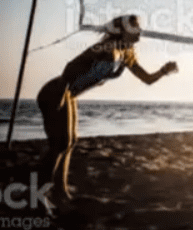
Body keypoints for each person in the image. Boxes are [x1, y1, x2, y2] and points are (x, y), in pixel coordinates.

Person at [36, 15, 178, 205]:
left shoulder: (127, 54)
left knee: (71, 142)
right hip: (57, 91)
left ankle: (61, 191)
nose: (140, 32)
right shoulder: (106, 47)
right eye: (135, 28)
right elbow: (70, 68)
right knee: (60, 144)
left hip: (70, 94)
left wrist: (163, 71)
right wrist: (62, 98)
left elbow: (147, 79)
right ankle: (40, 196)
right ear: (123, 30)